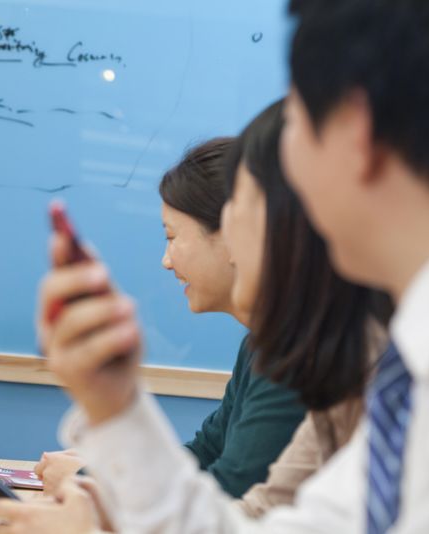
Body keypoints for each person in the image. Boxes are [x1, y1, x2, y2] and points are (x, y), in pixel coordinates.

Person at [0, 97, 392, 532]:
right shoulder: (310, 348)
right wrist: (111, 420)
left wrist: (96, 500)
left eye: (244, 210)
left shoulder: (326, 352)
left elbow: (233, 494)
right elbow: (243, 510)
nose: (166, 261)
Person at [34, 138, 306, 499]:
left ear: (233, 234)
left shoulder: (295, 351)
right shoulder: (259, 343)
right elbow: (205, 452)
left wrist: (94, 482)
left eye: (172, 236)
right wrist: (101, 473)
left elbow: (231, 491)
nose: (166, 261)